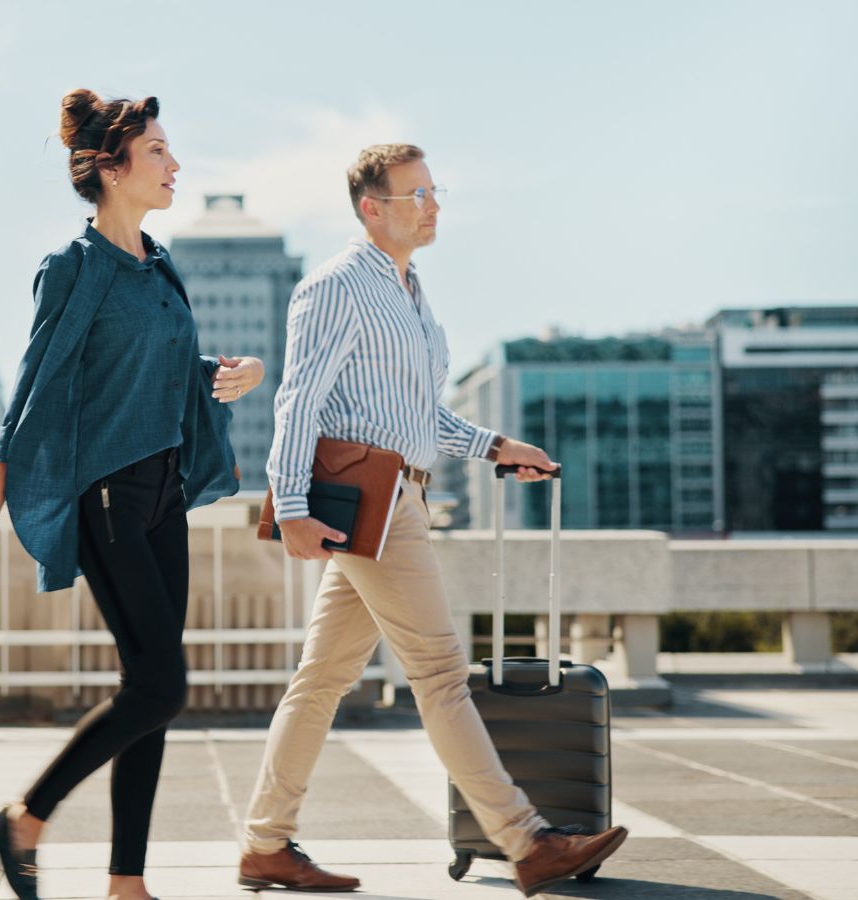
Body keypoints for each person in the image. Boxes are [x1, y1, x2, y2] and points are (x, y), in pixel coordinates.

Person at [236, 143, 628, 898]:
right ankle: (527, 840)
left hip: (402, 496)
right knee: (442, 674)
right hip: (369, 500)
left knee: (320, 681)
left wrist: (494, 446)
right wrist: (288, 508)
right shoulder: (337, 287)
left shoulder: (411, 293)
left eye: (434, 191)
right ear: (372, 208)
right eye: (417, 194)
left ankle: (264, 843)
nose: (434, 204)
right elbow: (298, 401)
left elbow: (417, 415)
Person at [0, 88, 264, 900]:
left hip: (162, 487)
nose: (174, 164)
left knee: (148, 689)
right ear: (112, 168)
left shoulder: (159, 267)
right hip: (106, 496)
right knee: (163, 686)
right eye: (157, 151)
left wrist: (228, 375)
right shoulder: (76, 268)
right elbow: (34, 398)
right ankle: (26, 817)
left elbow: (158, 373)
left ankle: (127, 882)